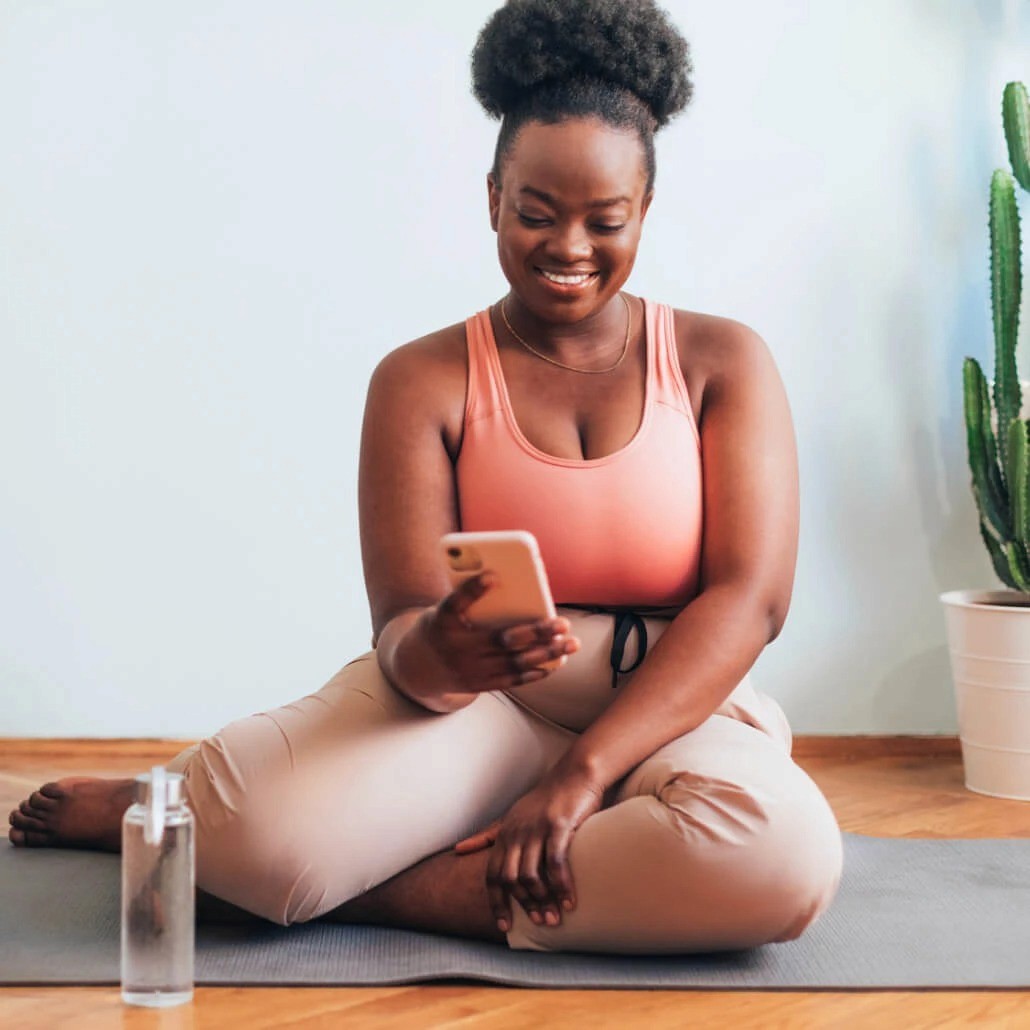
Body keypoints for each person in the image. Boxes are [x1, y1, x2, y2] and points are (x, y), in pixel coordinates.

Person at [9, 0, 843, 954]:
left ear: (644, 211)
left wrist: (580, 777)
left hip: (668, 707)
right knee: (251, 827)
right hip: (478, 706)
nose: (569, 248)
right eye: (536, 213)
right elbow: (401, 628)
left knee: (781, 860)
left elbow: (751, 601)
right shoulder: (421, 379)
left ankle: (381, 888)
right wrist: (440, 651)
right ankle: (181, 813)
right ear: (492, 198)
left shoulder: (720, 361)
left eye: (604, 221)